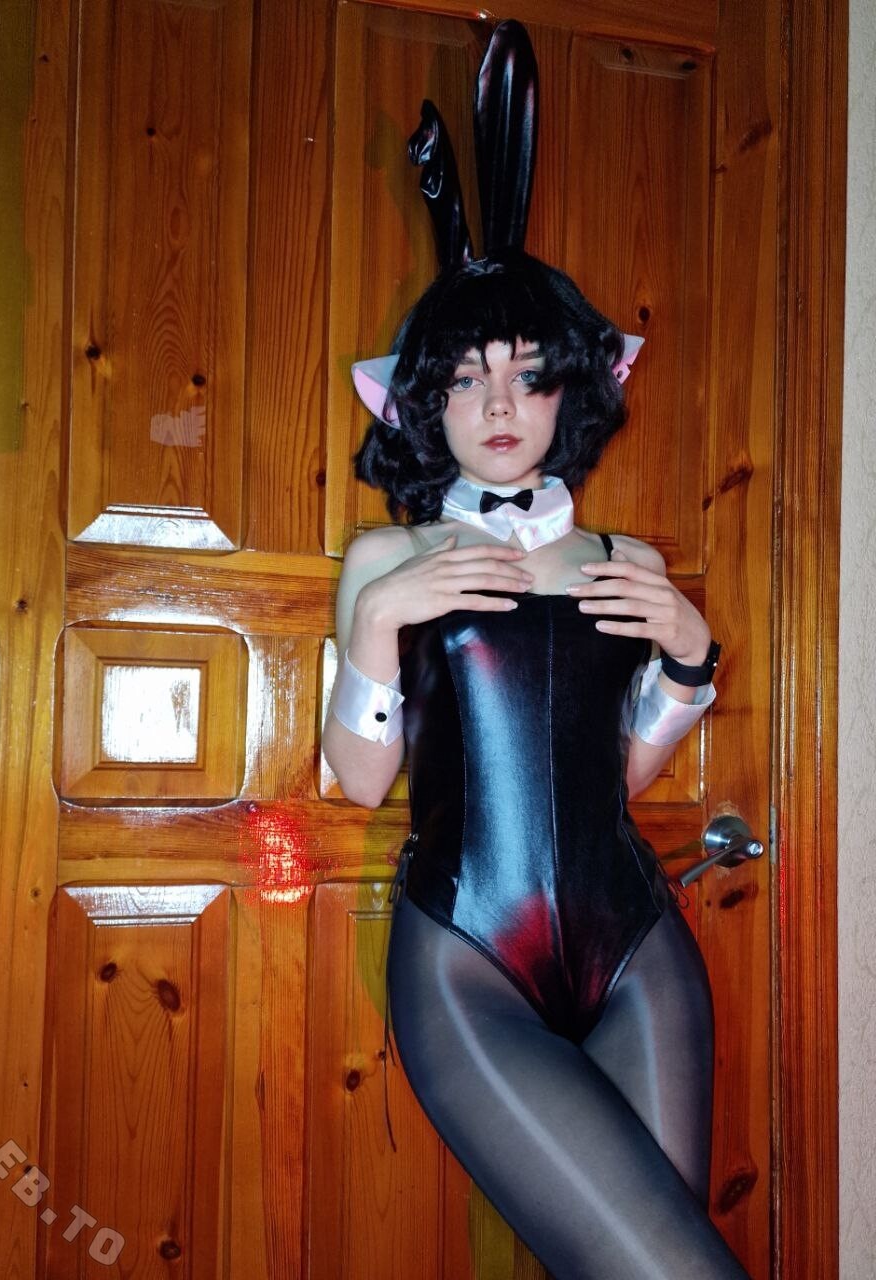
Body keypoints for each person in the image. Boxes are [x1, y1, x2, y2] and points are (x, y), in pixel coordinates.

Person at [321, 249, 750, 1279]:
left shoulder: (627, 563)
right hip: (468, 957)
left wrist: (691, 660)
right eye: (467, 377)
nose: (500, 403)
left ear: (571, 391)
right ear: (428, 403)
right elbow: (362, 780)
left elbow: (621, 776)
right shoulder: (388, 560)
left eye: (528, 373)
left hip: (639, 948)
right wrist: (378, 622)